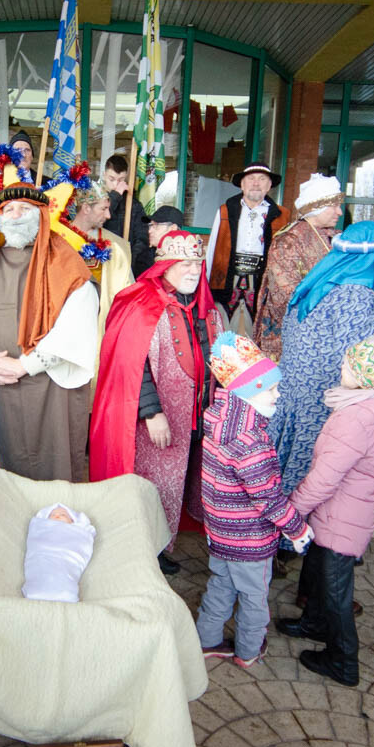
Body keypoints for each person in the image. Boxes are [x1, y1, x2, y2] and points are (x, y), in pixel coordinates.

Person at [279, 336, 374, 686]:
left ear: (369, 377)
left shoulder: (356, 419)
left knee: (337, 589)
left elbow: (324, 479)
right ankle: (314, 623)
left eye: (350, 365)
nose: (341, 368)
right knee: (320, 569)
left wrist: (289, 513)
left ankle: (343, 660)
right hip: (346, 511)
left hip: (342, 515)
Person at [267, 221, 374, 589]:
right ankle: (316, 599)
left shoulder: (316, 286)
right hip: (329, 415)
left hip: (297, 407)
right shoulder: (359, 300)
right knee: (328, 506)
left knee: (300, 491)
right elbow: (370, 369)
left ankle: (278, 569)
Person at [0, 165, 98, 483]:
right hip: (1, 388)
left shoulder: (67, 262)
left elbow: (76, 326)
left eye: (24, 208)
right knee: (5, 473)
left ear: (40, 214)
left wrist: (26, 366)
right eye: (8, 209)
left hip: (54, 388)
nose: (15, 215)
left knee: (54, 471)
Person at [89, 230, 223, 573]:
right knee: (152, 484)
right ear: (164, 265)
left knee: (178, 483)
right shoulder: (141, 303)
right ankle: (143, 551)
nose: (193, 270)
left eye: (197, 263)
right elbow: (130, 364)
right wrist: (152, 412)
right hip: (156, 418)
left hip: (195, 415)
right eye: (184, 263)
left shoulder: (206, 307)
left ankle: (164, 543)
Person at [198, 333, 312, 668]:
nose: (278, 394)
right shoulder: (252, 441)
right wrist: (296, 528)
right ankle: (249, 650)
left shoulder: (217, 423)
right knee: (253, 597)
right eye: (270, 388)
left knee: (220, 585)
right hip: (250, 539)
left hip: (220, 532)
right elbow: (268, 498)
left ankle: (206, 640)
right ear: (250, 392)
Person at [253, 174, 343, 359]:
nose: (339, 212)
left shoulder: (335, 238)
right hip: (291, 337)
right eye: (334, 206)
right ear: (316, 206)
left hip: (325, 332)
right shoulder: (288, 241)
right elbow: (285, 294)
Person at [206, 161, 287, 332]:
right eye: (251, 179)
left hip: (261, 279)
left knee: (256, 329)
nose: (256, 183)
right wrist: (206, 283)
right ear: (242, 184)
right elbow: (213, 248)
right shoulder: (225, 210)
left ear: (269, 185)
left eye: (262, 179)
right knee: (222, 328)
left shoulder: (282, 216)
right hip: (228, 277)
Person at [68, 181, 135, 343]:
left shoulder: (116, 247)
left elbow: (129, 297)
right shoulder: (57, 240)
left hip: (101, 333)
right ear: (86, 208)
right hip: (64, 330)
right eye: (103, 209)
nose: (108, 216)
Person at [102, 154, 149, 272]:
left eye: (120, 180)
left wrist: (130, 261)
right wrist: (116, 195)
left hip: (125, 266)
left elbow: (142, 238)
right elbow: (99, 218)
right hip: (101, 262)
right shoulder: (96, 198)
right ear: (104, 175)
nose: (115, 185)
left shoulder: (134, 205)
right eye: (111, 179)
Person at [0, 130, 37, 199]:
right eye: (17, 150)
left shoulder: (46, 182)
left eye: (27, 150)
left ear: (32, 156)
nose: (23, 155)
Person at [136, 204, 183, 279]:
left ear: (173, 228)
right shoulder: (144, 258)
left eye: (155, 225)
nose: (149, 231)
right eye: (150, 225)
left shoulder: (187, 258)